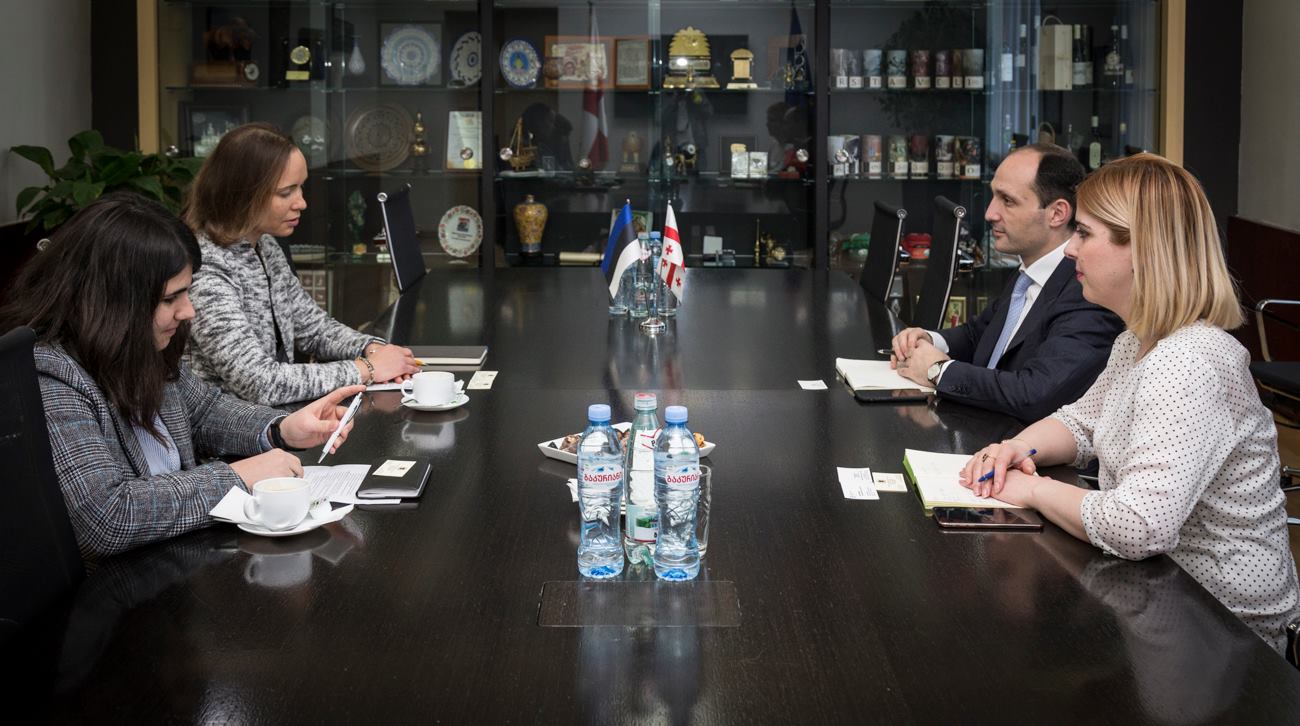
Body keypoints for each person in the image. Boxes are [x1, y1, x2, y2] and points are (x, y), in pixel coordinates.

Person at [959, 153, 1299, 653]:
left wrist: (1029, 489)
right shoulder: (1137, 341)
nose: (1070, 249)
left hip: (1227, 630)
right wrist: (1016, 448)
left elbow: (1137, 526)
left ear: (1143, 249)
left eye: (1084, 234)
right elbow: (1081, 423)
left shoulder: (1186, 362)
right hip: (1164, 595)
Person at [0, 193, 365, 560]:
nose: (188, 311)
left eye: (186, 292)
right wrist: (237, 477)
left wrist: (281, 429)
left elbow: (204, 411)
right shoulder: (52, 374)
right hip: (122, 585)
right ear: (114, 299)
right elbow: (106, 517)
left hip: (180, 561)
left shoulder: (139, 343)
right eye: (170, 298)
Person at [182, 122, 419, 406]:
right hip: (235, 431)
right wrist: (367, 369)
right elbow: (260, 383)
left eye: (301, 188)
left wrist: (372, 348)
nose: (302, 203)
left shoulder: (265, 245)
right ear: (242, 193)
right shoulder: (205, 267)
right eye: (286, 192)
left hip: (278, 418)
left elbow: (314, 328)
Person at [891, 144, 1124, 422]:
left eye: (1008, 201)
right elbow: (979, 334)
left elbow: (1035, 392)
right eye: (993, 197)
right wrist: (928, 340)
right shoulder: (1028, 273)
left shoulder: (1086, 290)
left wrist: (938, 371)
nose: (990, 213)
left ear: (1057, 213)